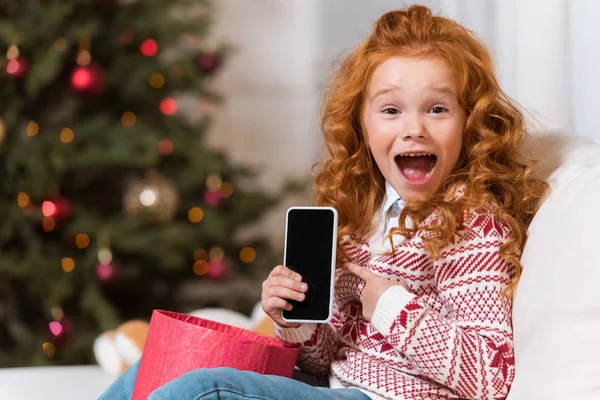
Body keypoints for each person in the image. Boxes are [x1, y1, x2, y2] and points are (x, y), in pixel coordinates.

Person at [100, 5, 548, 399]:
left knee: (205, 390)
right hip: (336, 385)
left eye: (437, 109)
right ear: (364, 126)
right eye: (391, 110)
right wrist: (297, 324)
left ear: (469, 123)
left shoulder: (474, 226)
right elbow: (326, 359)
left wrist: (391, 304)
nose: (415, 128)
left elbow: (491, 376)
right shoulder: (366, 216)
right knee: (165, 364)